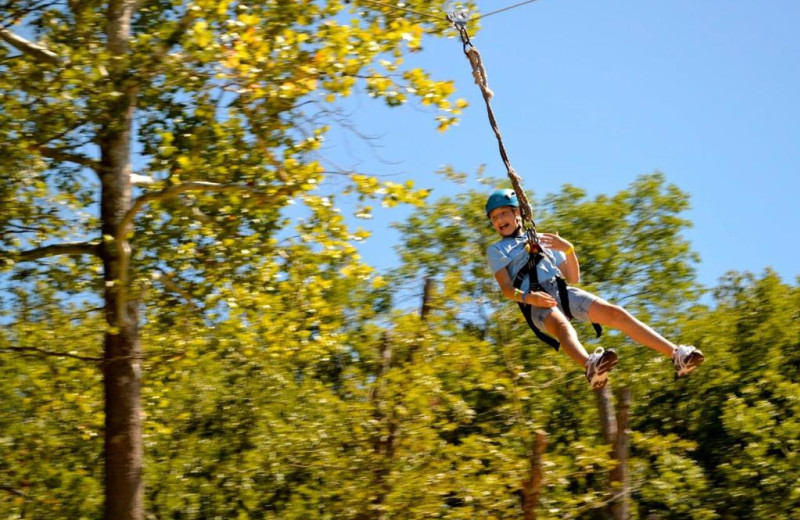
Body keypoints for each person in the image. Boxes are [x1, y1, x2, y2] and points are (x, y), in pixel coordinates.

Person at [485, 189, 704, 389]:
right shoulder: (496, 250)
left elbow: (573, 276)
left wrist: (568, 250)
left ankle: (677, 355)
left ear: (518, 214)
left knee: (615, 313)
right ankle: (590, 365)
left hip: (561, 290)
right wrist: (531, 298)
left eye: (503, 213)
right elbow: (506, 289)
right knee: (562, 328)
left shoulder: (541, 239)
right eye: (494, 218)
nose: (499, 220)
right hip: (536, 300)